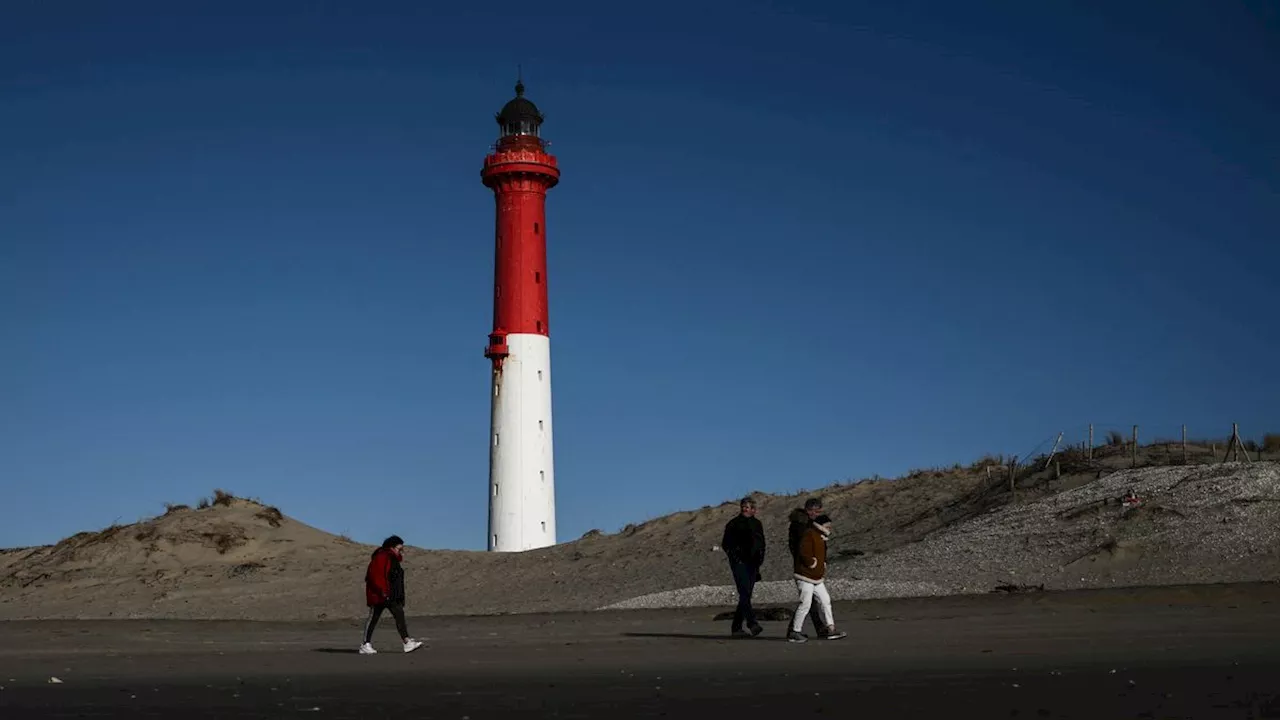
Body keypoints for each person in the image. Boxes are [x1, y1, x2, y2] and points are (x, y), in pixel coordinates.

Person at [359, 535, 424, 654]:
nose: (401, 551)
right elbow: (375, 576)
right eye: (399, 548)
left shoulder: (392, 558)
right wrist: (383, 591)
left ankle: (407, 642)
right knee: (374, 618)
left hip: (391, 595)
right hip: (380, 594)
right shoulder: (382, 556)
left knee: (399, 614)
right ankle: (365, 644)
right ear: (392, 547)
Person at [788, 514, 847, 643]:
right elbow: (803, 552)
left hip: (816, 577)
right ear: (821, 525)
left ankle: (831, 629)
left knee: (825, 600)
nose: (830, 528)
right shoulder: (810, 534)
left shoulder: (821, 537)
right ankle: (795, 632)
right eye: (828, 525)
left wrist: (821, 565)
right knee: (805, 604)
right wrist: (812, 563)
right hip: (805, 576)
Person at [721, 496, 766, 638]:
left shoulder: (757, 523)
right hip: (739, 563)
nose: (745, 510)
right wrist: (735, 557)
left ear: (754, 510)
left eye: (747, 508)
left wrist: (760, 559)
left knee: (746, 595)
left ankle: (736, 627)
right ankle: (752, 623)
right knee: (744, 593)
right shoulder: (733, 524)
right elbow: (726, 544)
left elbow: (761, 542)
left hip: (753, 563)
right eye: (743, 507)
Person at [788, 497, 830, 638]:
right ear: (808, 510)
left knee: (810, 601)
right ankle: (801, 630)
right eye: (814, 511)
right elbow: (800, 548)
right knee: (807, 602)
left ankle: (799, 630)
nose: (816, 513)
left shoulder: (812, 525)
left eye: (818, 511)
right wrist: (809, 562)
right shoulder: (800, 525)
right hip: (804, 568)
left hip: (811, 567)